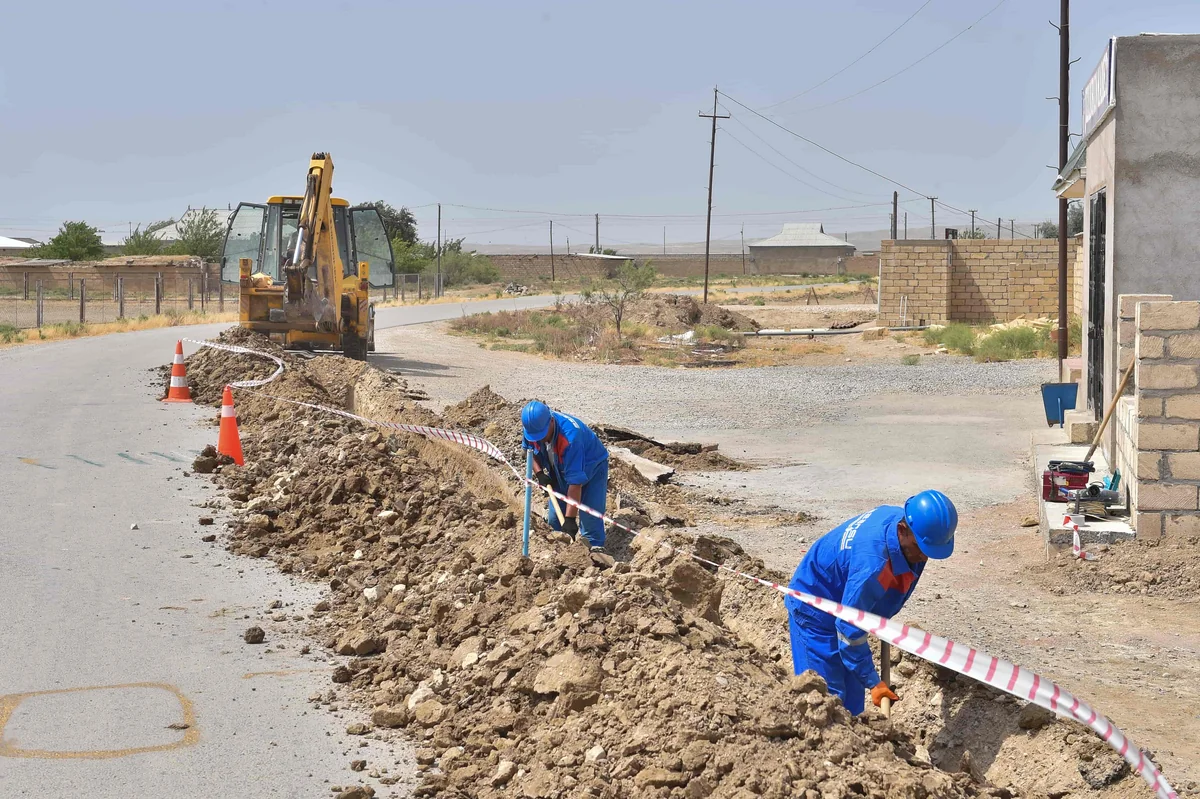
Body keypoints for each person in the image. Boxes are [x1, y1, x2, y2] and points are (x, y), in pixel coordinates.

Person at [784, 490, 957, 715]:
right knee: (826, 701)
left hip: (846, 601)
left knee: (853, 704)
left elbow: (878, 600)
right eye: (921, 550)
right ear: (903, 530)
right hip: (813, 609)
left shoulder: (907, 530)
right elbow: (849, 629)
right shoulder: (873, 566)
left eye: (930, 552)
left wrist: (880, 622)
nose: (924, 558)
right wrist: (874, 683)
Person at [521, 400, 609, 552]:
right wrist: (540, 474)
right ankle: (559, 551)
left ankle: (596, 553)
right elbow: (529, 452)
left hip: (593, 466)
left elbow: (575, 485)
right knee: (555, 521)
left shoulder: (570, 438)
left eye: (541, 436)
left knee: (590, 516)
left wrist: (570, 520)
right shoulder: (533, 428)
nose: (539, 440)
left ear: (552, 421)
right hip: (561, 470)